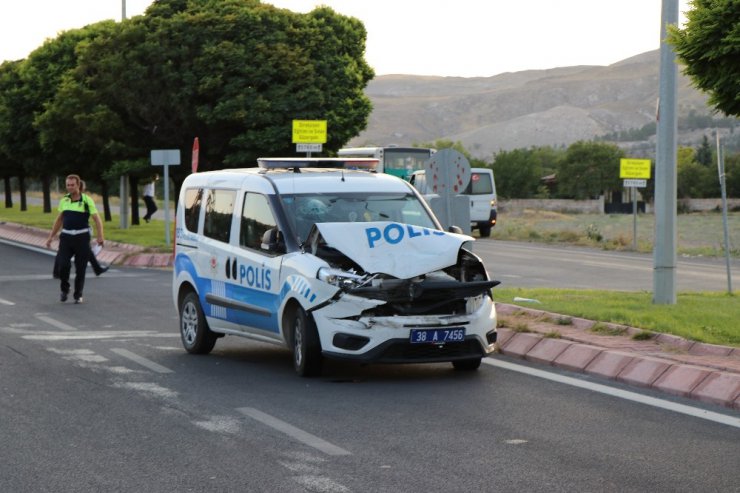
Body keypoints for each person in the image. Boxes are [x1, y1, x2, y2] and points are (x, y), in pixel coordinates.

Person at [45, 174, 105, 304]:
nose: (70, 187)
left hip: (82, 238)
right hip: (66, 237)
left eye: (72, 185)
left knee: (80, 268)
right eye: (68, 185)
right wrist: (51, 237)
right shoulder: (64, 200)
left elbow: (97, 219)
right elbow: (59, 220)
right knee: (63, 265)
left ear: (78, 185)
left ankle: (78, 294)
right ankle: (65, 289)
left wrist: (100, 236)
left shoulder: (87, 200)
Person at [80, 180, 108, 276]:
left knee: (86, 250)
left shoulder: (67, 199)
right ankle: (97, 268)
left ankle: (97, 268)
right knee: (66, 250)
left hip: (79, 230)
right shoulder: (85, 200)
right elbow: (96, 218)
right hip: (80, 230)